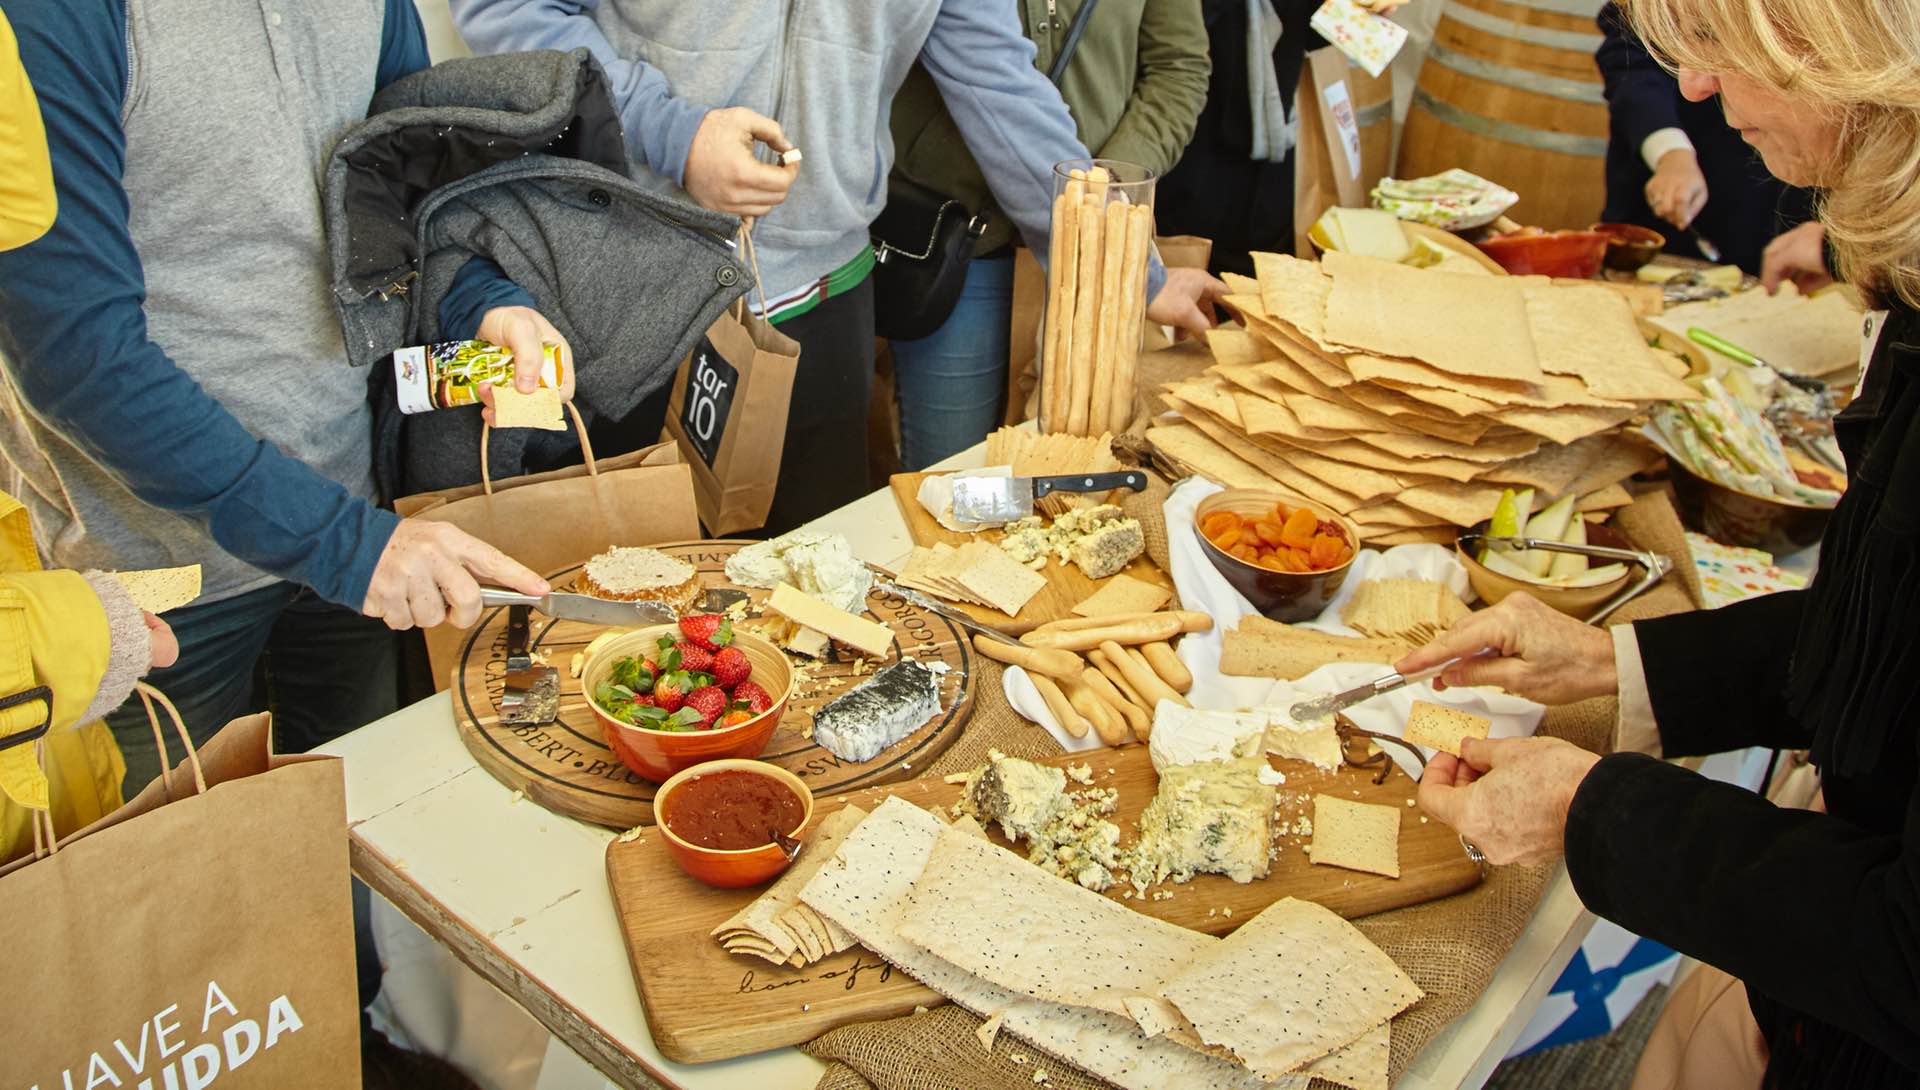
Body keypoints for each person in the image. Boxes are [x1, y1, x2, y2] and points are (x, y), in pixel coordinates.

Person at [1401, 0, 1920, 1076]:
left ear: (1848, 51)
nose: (1691, 89)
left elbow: (1904, 953)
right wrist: (1614, 660)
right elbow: (1884, 642)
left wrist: (1593, 809)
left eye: (1726, 49)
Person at [0, 0, 567, 794]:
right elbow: (75, 353)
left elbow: (407, 187)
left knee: (352, 841)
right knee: (186, 890)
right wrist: (343, 544)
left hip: (357, 519)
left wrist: (479, 296)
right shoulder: (53, 18)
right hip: (150, 575)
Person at [450, 0, 1229, 531]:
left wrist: (1134, 279)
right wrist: (671, 132)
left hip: (823, 301)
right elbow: (508, 12)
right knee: (633, 608)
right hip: (624, 282)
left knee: (804, 593)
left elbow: (1002, 88)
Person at [884, 0, 1210, 469]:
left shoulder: (1099, 215)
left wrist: (1099, 194)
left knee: (1083, 474)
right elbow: (982, 67)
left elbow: (1178, 67)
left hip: (1097, 238)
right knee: (951, 477)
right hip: (960, 239)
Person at [1155, 0, 1408, 277]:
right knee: (1191, 279)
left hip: (1272, 143)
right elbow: (1171, 34)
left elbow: (1303, 26)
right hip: (1194, 146)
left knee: (1262, 276)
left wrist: (1354, 11)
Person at [1595, 1, 1815, 275]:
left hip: (1782, 222)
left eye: (1710, 37)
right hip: (1669, 232)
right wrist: (1671, 153)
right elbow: (1630, 58)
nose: (1692, 86)